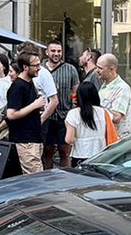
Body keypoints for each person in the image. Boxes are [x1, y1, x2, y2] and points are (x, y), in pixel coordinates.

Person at [6, 52, 46, 174]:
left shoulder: (29, 83)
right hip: (25, 141)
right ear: (25, 67)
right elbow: (11, 114)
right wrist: (34, 105)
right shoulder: (18, 86)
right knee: (35, 180)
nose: (38, 68)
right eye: (36, 65)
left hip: (34, 138)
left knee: (36, 176)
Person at [43, 41, 79, 169]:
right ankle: (47, 178)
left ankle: (65, 178)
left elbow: (75, 91)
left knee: (65, 151)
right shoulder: (40, 68)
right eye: (53, 51)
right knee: (47, 151)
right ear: (47, 52)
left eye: (59, 51)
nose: (56, 54)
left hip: (64, 116)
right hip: (46, 116)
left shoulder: (70, 69)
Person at [64, 81, 107, 168]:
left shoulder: (73, 114)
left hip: (80, 154)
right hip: (101, 154)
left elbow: (69, 139)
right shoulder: (104, 112)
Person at [96, 53, 131, 139]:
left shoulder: (122, 88)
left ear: (111, 69)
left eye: (100, 68)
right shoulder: (105, 85)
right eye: (97, 67)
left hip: (116, 140)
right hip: (105, 138)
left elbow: (116, 117)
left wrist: (94, 109)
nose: (96, 70)